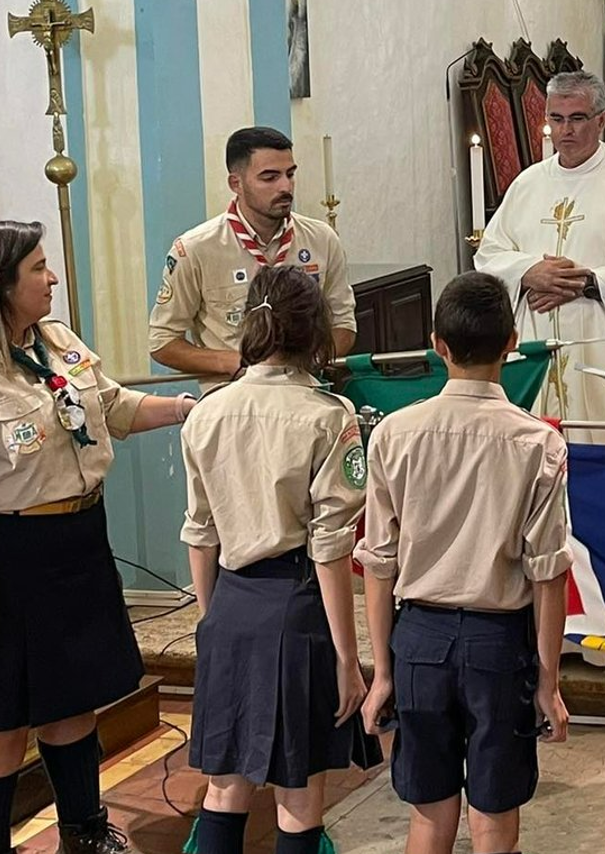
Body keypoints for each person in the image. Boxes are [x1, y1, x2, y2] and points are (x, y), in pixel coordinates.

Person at [0, 221, 196, 854]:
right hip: (3, 560)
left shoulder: (55, 342)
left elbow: (115, 410)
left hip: (75, 545)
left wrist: (185, 409)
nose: (53, 277)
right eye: (38, 268)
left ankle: (84, 834)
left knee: (73, 705)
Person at [356, 272, 573, 854]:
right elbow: (548, 572)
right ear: (512, 343)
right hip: (497, 643)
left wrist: (381, 673)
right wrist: (549, 683)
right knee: (494, 813)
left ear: (438, 346)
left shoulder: (393, 435)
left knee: (428, 815)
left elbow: (378, 564)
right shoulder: (538, 442)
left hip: (418, 638)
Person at [178, 266, 384, 854]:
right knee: (298, 794)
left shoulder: (207, 413)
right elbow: (330, 547)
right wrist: (350, 658)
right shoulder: (329, 416)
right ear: (314, 329)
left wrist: (210, 622)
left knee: (225, 789)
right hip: (298, 610)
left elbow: (201, 531)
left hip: (231, 605)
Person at [474, 70, 605, 435]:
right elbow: (488, 255)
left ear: (601, 121)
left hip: (604, 347)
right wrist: (529, 272)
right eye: (557, 118)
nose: (566, 130)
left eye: (578, 118)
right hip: (535, 346)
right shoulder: (527, 183)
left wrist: (590, 283)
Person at [149, 127, 358, 392]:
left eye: (290, 174)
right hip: (231, 406)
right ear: (236, 183)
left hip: (306, 397)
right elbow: (162, 341)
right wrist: (234, 363)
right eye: (269, 178)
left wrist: (309, 362)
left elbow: (343, 324)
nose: (285, 186)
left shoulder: (321, 239)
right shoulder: (195, 249)